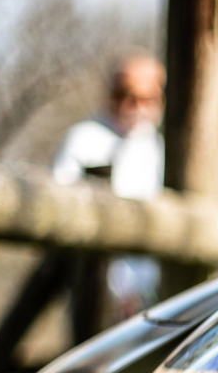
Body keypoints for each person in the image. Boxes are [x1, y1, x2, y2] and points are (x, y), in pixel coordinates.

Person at [51, 53, 165, 320]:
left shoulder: (156, 146)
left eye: (148, 98)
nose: (136, 106)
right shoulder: (84, 139)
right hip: (97, 295)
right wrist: (114, 292)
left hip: (152, 296)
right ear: (111, 95)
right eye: (127, 95)